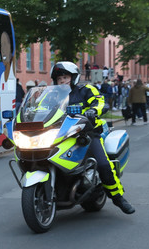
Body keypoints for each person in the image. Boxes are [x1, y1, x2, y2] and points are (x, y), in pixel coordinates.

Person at [51, 61, 134, 214]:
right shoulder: (53, 95)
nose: (62, 81)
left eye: (65, 77)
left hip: (86, 134)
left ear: (74, 77)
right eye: (59, 79)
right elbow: (40, 108)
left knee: (103, 164)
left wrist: (93, 110)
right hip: (61, 136)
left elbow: (100, 102)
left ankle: (118, 198)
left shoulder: (85, 90)